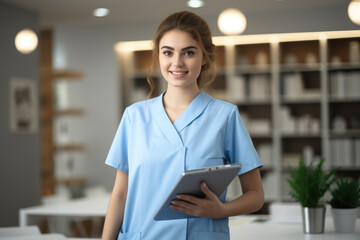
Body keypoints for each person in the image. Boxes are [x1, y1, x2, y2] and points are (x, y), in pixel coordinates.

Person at [102, 11, 264, 240]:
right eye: (168, 52)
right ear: (158, 55)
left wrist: (223, 210)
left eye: (189, 52)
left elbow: (256, 195)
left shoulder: (224, 116)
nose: (177, 62)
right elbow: (120, 194)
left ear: (205, 57)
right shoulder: (134, 117)